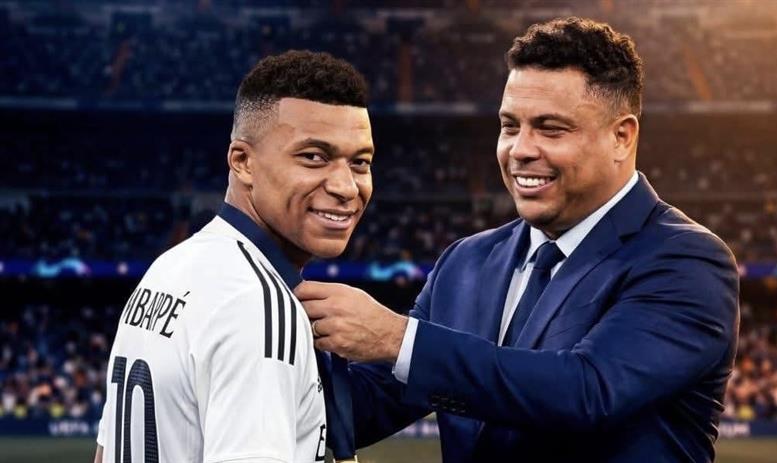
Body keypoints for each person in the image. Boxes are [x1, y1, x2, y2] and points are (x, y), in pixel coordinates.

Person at [296, 17, 739, 462]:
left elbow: (587, 392)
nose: (520, 149)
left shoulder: (687, 261)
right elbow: (365, 408)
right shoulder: (465, 262)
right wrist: (269, 343)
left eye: (551, 128)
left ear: (621, 137)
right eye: (510, 126)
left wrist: (398, 339)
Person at [94, 50, 374, 463]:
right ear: (242, 162)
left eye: (360, 162)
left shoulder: (168, 268)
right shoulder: (257, 303)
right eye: (314, 157)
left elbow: (105, 453)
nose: (346, 187)